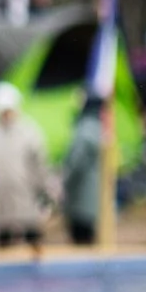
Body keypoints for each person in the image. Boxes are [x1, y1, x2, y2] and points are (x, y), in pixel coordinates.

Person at [0, 81, 52, 248]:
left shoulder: (28, 132)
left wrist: (44, 190)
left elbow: (39, 164)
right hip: (1, 202)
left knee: (32, 240)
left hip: (26, 199)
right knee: (4, 243)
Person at [61, 97, 106, 245]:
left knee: (81, 240)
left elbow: (75, 163)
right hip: (95, 195)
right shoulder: (99, 129)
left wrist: (64, 182)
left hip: (81, 196)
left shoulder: (84, 131)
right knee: (91, 238)